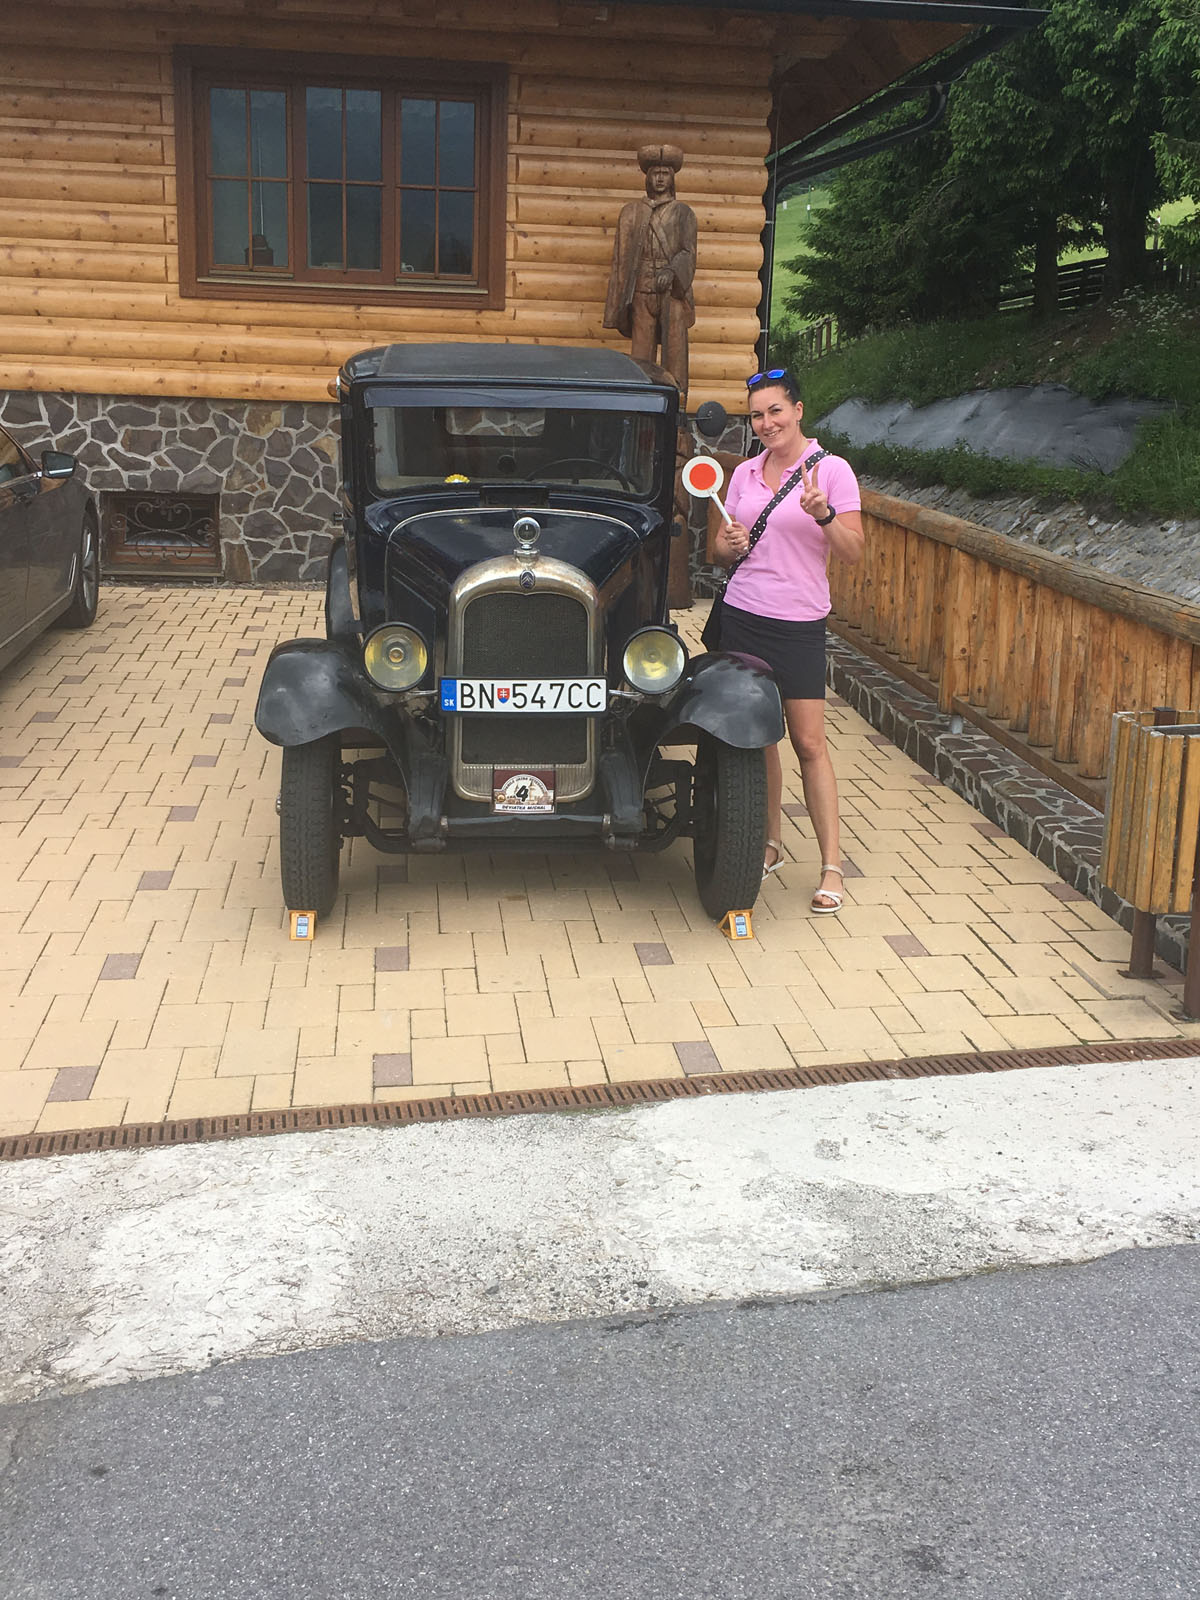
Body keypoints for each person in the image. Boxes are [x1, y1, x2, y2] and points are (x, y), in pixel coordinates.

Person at [711, 368, 865, 915]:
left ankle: (832, 865)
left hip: (798, 624)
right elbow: (718, 551)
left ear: (798, 410)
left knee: (810, 743)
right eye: (757, 415)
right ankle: (769, 844)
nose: (766, 422)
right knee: (758, 738)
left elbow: (852, 551)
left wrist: (824, 514)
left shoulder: (832, 470)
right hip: (742, 617)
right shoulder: (744, 472)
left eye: (775, 410)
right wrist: (729, 544)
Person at [602, 143, 697, 399]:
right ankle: (640, 402)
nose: (660, 179)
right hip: (642, 291)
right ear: (648, 177)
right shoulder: (632, 212)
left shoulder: (683, 213)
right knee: (641, 355)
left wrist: (672, 271)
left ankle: (677, 403)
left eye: (665, 174)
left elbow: (688, 252)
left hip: (671, 292)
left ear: (672, 178)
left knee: (675, 352)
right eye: (656, 173)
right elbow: (622, 258)